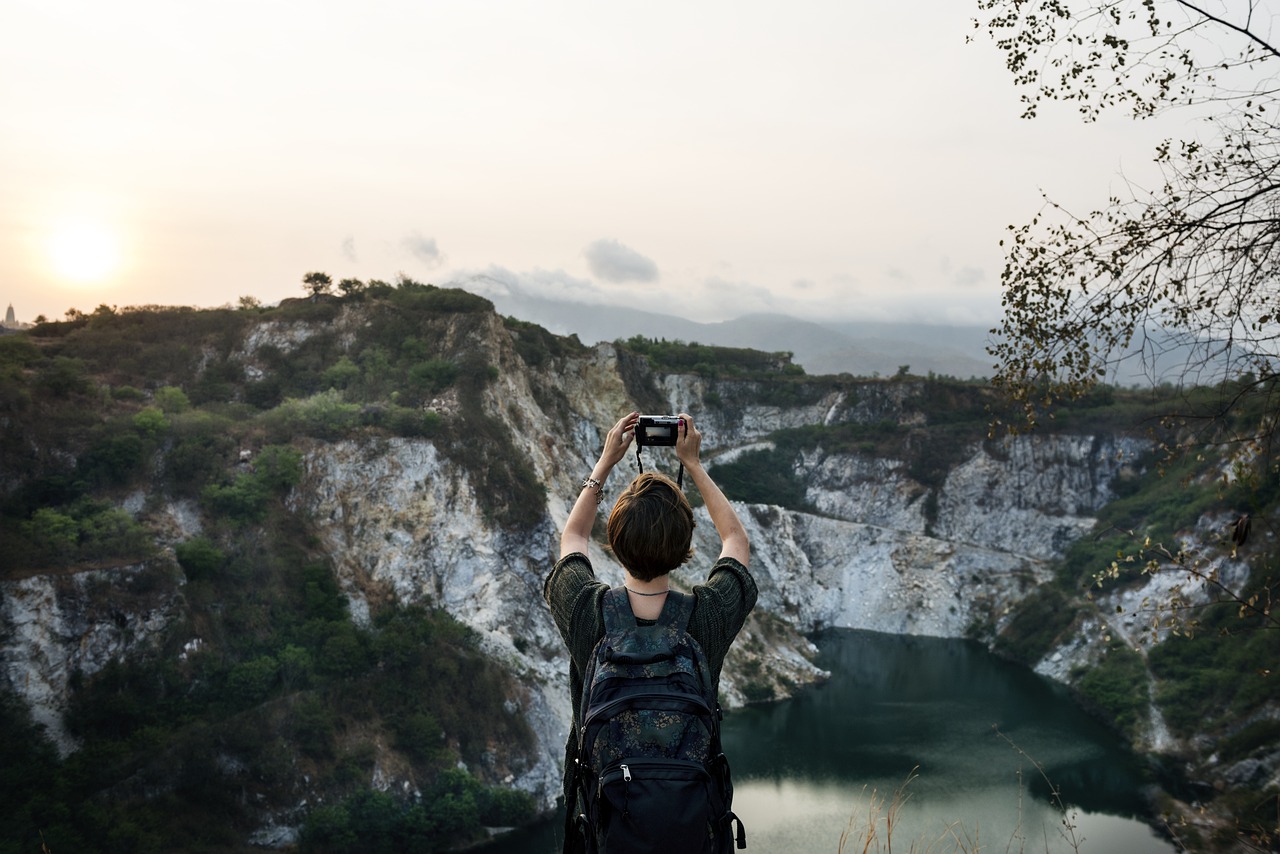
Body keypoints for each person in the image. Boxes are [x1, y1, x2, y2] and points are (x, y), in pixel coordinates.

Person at [543, 410, 757, 853]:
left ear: (615, 543)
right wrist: (693, 464)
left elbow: (573, 538)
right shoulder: (705, 618)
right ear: (684, 548)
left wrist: (604, 464)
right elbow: (736, 542)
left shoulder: (589, 613)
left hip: (607, 833)